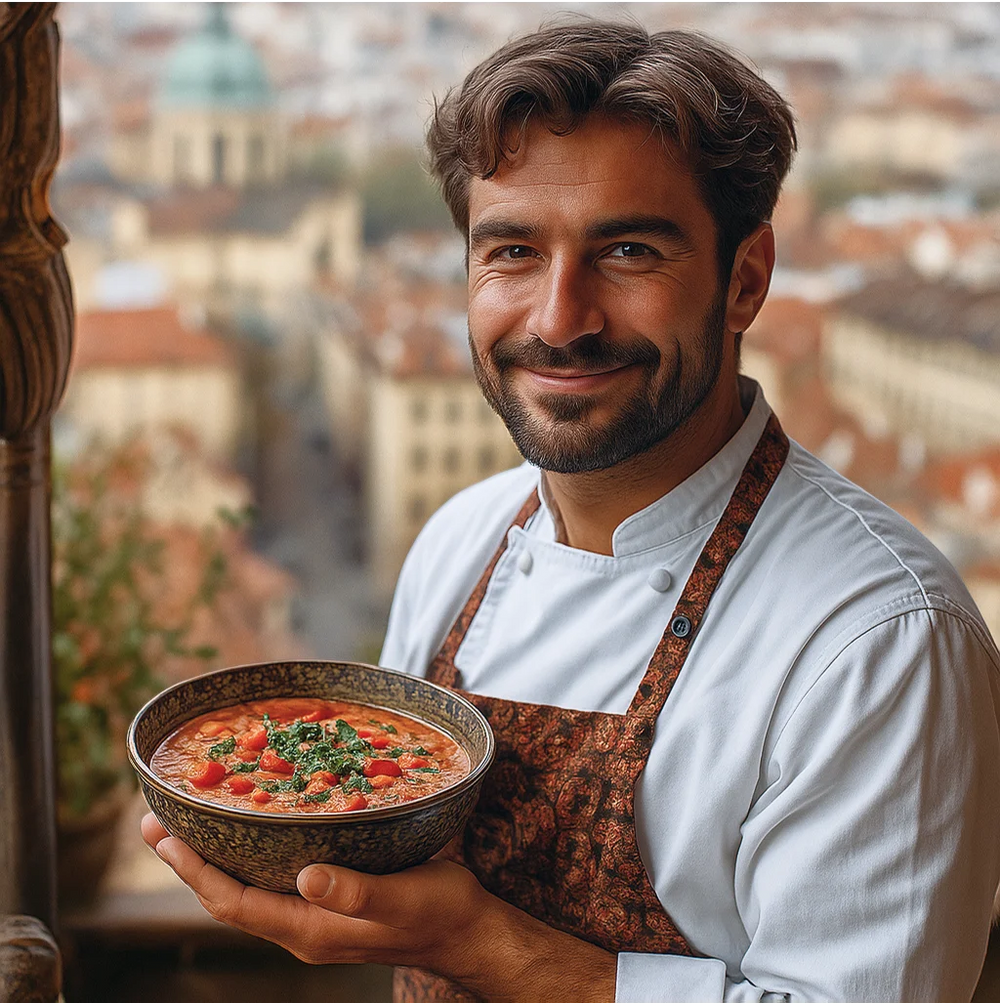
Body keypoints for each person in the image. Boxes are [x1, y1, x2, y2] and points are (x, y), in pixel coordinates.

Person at [142, 19, 1000, 1002]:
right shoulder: (458, 542)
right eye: (511, 250)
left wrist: (487, 946)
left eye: (628, 250)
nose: (558, 319)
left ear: (745, 281)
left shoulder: (878, 639)